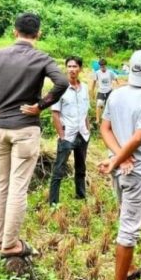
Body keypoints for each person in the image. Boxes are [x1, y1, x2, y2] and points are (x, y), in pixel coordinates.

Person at [0, 13, 68, 258]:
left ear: (14, 32)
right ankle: (11, 244)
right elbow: (61, 83)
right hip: (25, 127)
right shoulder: (41, 57)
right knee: (18, 187)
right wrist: (41, 105)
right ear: (38, 33)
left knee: (0, 185)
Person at [97, 49, 141, 280]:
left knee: (125, 214)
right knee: (129, 229)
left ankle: (129, 267)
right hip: (137, 170)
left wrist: (117, 159)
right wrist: (119, 160)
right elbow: (137, 139)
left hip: (122, 168)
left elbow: (105, 129)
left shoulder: (116, 94)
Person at [49, 56, 90, 205]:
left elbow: (86, 111)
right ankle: (53, 202)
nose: (72, 69)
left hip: (82, 135)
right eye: (69, 66)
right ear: (66, 68)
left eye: (75, 66)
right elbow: (55, 113)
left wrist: (88, 130)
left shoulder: (84, 87)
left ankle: (81, 196)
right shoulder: (60, 88)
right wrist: (62, 136)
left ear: (80, 69)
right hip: (68, 135)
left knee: (81, 168)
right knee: (58, 170)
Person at [91, 58, 118, 125]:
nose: (102, 68)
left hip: (109, 91)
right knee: (99, 104)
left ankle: (111, 120)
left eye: (103, 66)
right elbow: (94, 82)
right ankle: (97, 120)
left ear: (106, 65)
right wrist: (92, 90)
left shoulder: (110, 72)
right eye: (101, 66)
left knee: (110, 106)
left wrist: (117, 87)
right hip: (101, 91)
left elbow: (116, 80)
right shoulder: (97, 73)